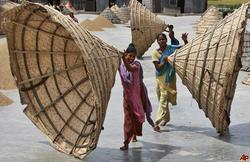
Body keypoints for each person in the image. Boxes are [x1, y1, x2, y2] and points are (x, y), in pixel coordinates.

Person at [119, 43, 154, 150]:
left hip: (138, 95)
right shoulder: (121, 66)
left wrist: (123, 59)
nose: (131, 58)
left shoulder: (137, 65)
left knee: (137, 116)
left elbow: (131, 69)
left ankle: (134, 135)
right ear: (125, 55)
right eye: (129, 55)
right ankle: (126, 143)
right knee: (128, 119)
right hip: (127, 96)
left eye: (133, 56)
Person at [152, 32, 188, 132]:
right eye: (159, 39)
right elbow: (158, 67)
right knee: (162, 99)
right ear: (157, 41)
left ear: (166, 40)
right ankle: (166, 118)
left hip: (170, 78)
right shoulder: (155, 53)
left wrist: (185, 40)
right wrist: (164, 61)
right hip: (160, 79)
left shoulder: (171, 48)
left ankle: (157, 121)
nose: (161, 41)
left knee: (164, 98)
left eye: (163, 39)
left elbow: (184, 49)